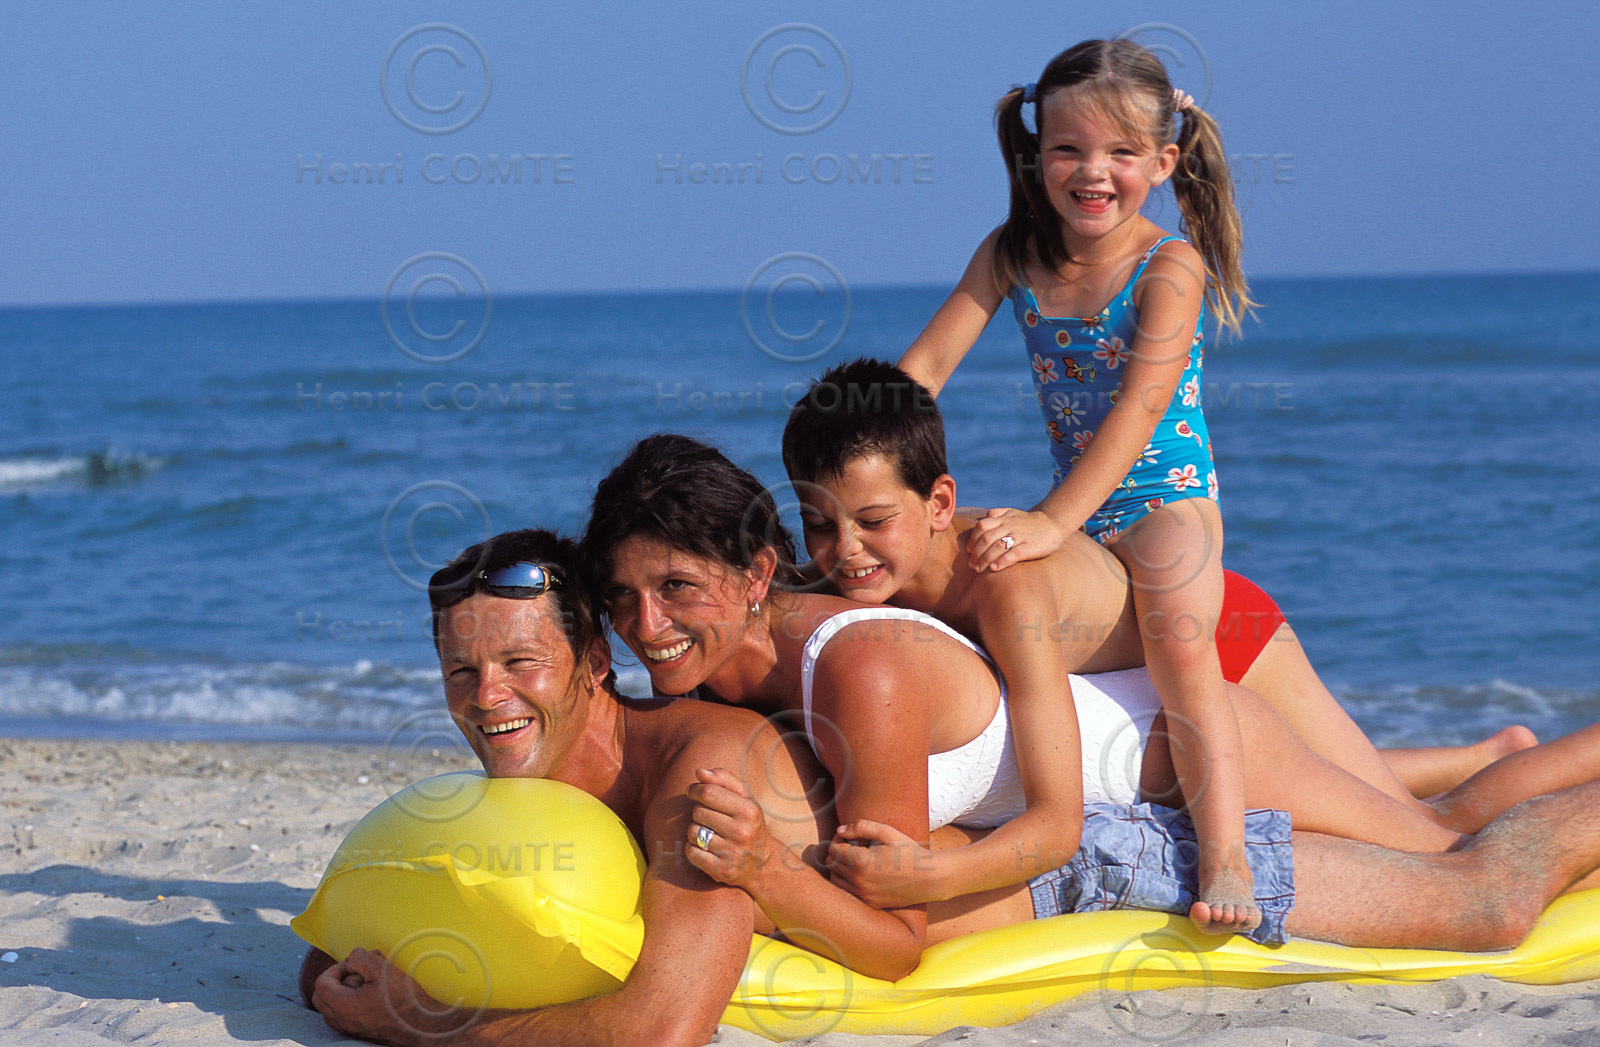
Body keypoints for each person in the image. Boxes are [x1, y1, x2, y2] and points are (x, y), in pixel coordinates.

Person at [304, 526, 1600, 1047]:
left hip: (1116, 849)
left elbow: (657, 1028)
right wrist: (325, 969)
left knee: (1482, 890)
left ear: (591, 661)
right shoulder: (603, 768)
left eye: (519, 663)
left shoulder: (699, 780)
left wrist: (423, 1028)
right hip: (1066, 813)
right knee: (1447, 815)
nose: (489, 698)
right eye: (462, 672)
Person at [580, 433, 1519, 971]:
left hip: (1187, 746)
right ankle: (1489, 753)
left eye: (674, 589)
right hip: (1128, 751)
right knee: (1434, 810)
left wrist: (778, 872)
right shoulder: (738, 654)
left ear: (752, 575)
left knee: (1454, 848)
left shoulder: (857, 661)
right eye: (621, 598)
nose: (643, 623)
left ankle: (1528, 771)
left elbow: (896, 939)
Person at [780, 359, 1564, 883]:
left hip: (1224, 643)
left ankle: (1550, 803)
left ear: (941, 503)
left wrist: (937, 871)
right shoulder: (858, 566)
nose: (843, 551)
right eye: (821, 525)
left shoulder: (1003, 590)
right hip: (1169, 633)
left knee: (1426, 830)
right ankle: (1487, 749)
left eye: (873, 521)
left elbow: (1056, 821)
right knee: (1373, 791)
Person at [897, 39, 1263, 933]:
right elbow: (929, 364)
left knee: (1179, 634)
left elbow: (1138, 415)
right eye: (1067, 149)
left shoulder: (1170, 267)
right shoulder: (1013, 253)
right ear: (1035, 153)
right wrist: (859, 450)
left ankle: (1226, 850)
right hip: (1080, 510)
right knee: (921, 550)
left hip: (1165, 500)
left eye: (1120, 155)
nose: (1091, 172)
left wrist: (1054, 522)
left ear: (1163, 163)